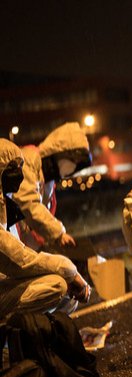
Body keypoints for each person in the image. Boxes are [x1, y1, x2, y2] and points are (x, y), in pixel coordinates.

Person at [0, 138, 90, 321]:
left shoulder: (4, 206)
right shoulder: (34, 162)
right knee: (57, 285)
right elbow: (17, 259)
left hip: (6, 280)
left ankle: (31, 335)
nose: (18, 177)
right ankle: (9, 340)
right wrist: (69, 269)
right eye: (12, 170)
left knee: (67, 295)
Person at [13, 122, 91, 251]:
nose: (73, 167)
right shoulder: (29, 159)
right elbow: (28, 203)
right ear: (61, 152)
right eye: (73, 160)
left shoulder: (48, 181)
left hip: (21, 244)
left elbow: (40, 216)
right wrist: (58, 234)